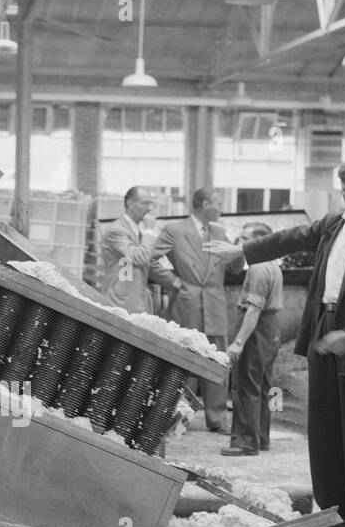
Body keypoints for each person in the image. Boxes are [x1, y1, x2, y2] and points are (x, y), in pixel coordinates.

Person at [213, 157, 345, 527]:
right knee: (325, 426)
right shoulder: (333, 223)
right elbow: (291, 237)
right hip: (323, 327)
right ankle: (335, 511)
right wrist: (244, 252)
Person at [152, 189, 237, 433]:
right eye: (218, 203)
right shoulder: (175, 230)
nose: (221, 208)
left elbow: (234, 266)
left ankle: (217, 418)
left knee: (218, 360)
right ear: (204, 204)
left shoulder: (220, 232)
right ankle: (181, 418)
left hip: (215, 305)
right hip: (186, 304)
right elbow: (150, 259)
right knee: (184, 360)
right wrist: (173, 282)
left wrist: (240, 250)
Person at [220, 223, 284, 457]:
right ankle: (261, 437)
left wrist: (238, 342)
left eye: (246, 239)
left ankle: (245, 442)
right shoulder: (272, 266)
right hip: (271, 328)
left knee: (246, 386)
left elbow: (253, 310)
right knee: (264, 386)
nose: (241, 243)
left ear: (261, 242)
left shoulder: (258, 269)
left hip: (257, 328)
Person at [97, 186, 181, 314]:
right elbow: (140, 257)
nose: (149, 208)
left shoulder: (137, 231)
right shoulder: (117, 230)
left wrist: (172, 280)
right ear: (130, 204)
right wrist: (149, 230)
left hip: (137, 301)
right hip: (120, 303)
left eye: (150, 203)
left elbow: (149, 262)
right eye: (145, 203)